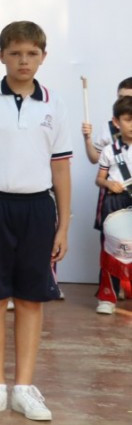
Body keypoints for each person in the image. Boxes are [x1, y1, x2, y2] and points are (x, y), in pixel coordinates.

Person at [0, 21, 71, 421]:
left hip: (37, 210)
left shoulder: (54, 103)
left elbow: (60, 170)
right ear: (2, 56)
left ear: (43, 56)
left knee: (30, 298)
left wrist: (63, 226)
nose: (24, 61)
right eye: (16, 53)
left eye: (32, 54)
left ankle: (23, 386)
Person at [83, 78, 132, 310]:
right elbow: (98, 170)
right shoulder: (110, 148)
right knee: (111, 247)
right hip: (114, 201)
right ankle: (108, 295)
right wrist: (108, 184)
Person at [81, 77, 132, 165]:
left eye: (128, 98)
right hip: (116, 178)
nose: (124, 102)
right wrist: (87, 139)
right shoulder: (109, 127)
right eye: (120, 98)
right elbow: (95, 159)